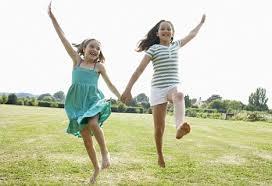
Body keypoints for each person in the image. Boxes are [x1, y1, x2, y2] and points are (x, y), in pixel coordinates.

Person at [48, 2, 121, 183]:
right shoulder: (77, 61)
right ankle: (96, 169)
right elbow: (63, 38)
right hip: (77, 103)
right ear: (83, 49)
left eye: (98, 48)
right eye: (91, 46)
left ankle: (105, 154)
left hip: (93, 101)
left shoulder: (99, 66)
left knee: (94, 124)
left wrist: (121, 95)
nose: (95, 50)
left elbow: (110, 85)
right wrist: (53, 18)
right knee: (87, 140)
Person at [121, 15, 205, 167]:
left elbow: (191, 35)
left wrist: (200, 23)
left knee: (179, 95)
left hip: (173, 85)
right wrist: (128, 89)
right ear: (157, 33)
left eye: (169, 28)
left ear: (172, 33)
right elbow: (139, 69)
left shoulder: (176, 45)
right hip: (157, 89)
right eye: (162, 29)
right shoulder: (153, 49)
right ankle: (160, 155)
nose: (166, 30)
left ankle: (180, 127)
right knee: (159, 128)